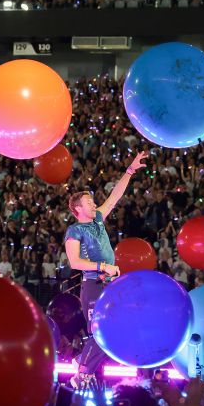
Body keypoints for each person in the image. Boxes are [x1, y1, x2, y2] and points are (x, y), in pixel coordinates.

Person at [64, 151, 147, 388]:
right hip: (93, 285)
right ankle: (81, 373)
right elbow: (75, 263)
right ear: (77, 209)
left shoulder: (98, 219)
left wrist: (130, 170)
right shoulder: (74, 231)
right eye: (89, 202)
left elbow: (115, 197)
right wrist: (104, 266)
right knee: (99, 334)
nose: (94, 203)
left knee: (112, 331)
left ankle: (81, 364)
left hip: (108, 284)